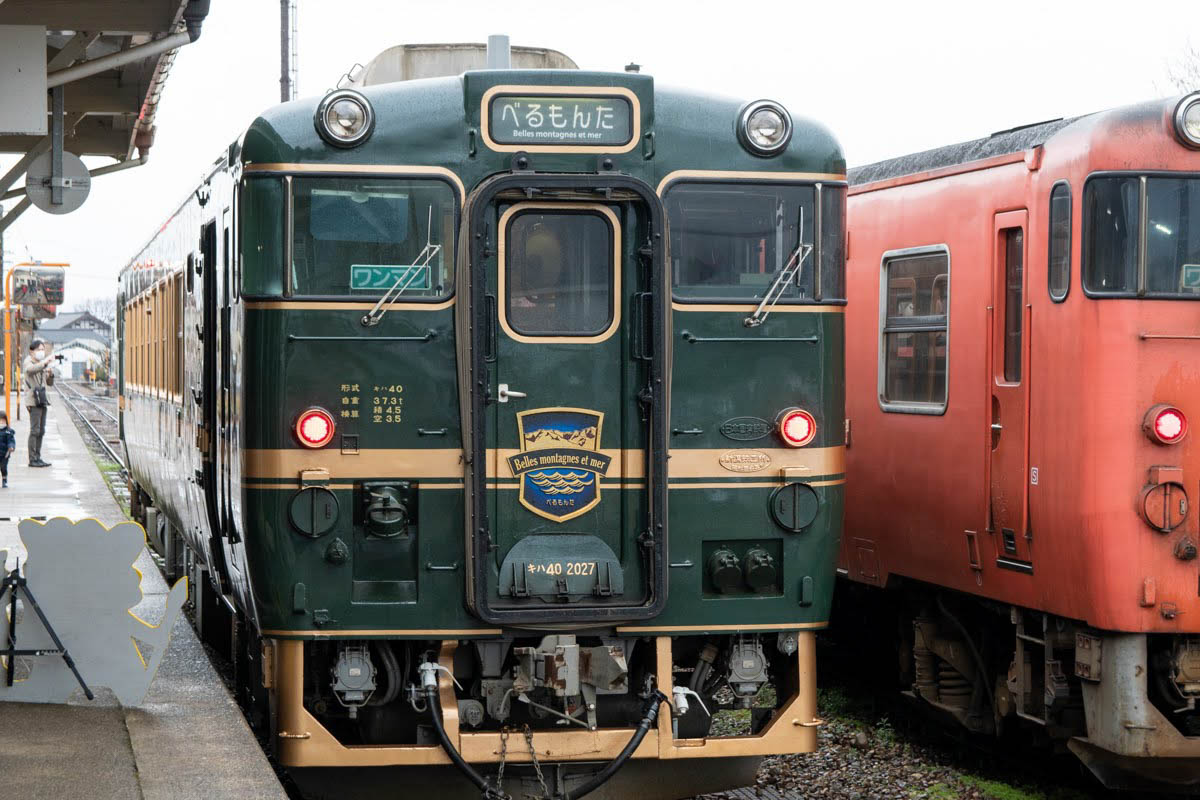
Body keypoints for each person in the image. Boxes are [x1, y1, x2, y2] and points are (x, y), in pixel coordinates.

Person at [22, 339, 55, 468]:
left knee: (41, 430)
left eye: (43, 350)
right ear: (32, 351)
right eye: (39, 350)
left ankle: (38, 456)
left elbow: (49, 383)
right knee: (34, 430)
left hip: (42, 400)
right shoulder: (28, 362)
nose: (41, 352)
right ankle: (32, 459)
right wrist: (45, 363)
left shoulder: (41, 364)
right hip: (33, 400)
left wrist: (50, 375)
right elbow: (31, 370)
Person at [0, 411, 14, 487]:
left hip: (5, 454)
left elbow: (11, 441)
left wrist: (11, 447)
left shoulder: (8, 431)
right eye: (0, 421)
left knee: (3, 467)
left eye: (3, 421)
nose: (2, 422)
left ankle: (4, 480)